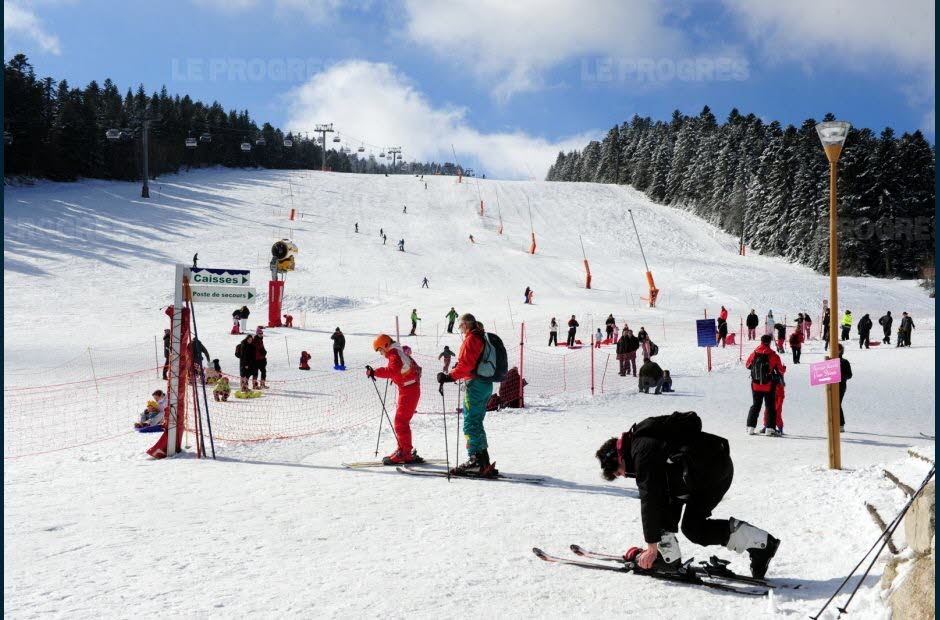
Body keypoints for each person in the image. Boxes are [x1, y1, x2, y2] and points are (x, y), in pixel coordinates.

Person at [595, 412, 780, 579]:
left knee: (660, 502)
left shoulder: (641, 451)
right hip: (711, 469)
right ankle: (762, 544)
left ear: (619, 457)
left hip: (706, 472)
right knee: (694, 528)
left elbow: (649, 498)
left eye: (619, 472)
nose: (624, 475)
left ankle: (666, 555)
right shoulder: (643, 441)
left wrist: (651, 546)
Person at [437, 313, 497, 476]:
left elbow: (466, 365)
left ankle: (475, 461)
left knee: (470, 422)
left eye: (461, 326)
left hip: (475, 385)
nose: (460, 329)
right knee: (476, 421)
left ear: (467, 325)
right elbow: (472, 362)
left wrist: (449, 376)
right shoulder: (482, 337)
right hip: (485, 384)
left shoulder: (471, 339)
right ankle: (482, 459)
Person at [368, 334, 424, 465]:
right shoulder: (396, 353)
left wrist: (374, 372)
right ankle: (404, 449)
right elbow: (400, 370)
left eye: (381, 350)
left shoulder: (394, 354)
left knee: (400, 421)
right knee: (401, 421)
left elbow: (392, 370)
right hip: (408, 388)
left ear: (386, 345)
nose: (381, 353)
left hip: (409, 390)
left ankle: (405, 453)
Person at [745, 335, 786, 435]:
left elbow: (747, 365)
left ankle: (750, 427)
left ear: (761, 341)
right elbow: (781, 370)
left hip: (755, 384)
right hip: (768, 385)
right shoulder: (773, 355)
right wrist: (784, 367)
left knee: (755, 405)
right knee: (770, 406)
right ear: (770, 342)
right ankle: (770, 429)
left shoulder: (754, 353)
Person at [762, 369, 785, 434]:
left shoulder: (779, 378)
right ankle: (766, 426)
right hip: (771, 392)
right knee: (767, 411)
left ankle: (780, 428)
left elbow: (781, 394)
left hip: (778, 394)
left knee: (777, 412)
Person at [837, 343, 852, 431]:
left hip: (841, 386)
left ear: (840, 351)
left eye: (837, 349)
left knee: (837, 403)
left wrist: (840, 375)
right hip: (830, 386)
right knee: (832, 403)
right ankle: (833, 422)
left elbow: (849, 375)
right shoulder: (830, 361)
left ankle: (841, 424)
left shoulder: (844, 362)